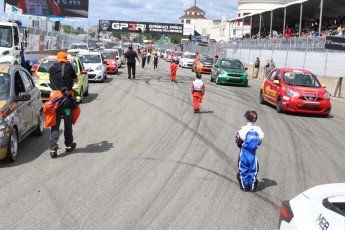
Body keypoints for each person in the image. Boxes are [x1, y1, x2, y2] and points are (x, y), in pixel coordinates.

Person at [48, 51, 77, 158]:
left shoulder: (52, 69)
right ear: (65, 58)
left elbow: (51, 82)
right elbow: (75, 79)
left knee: (55, 124)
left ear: (57, 58)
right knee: (68, 123)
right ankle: (69, 145)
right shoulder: (69, 67)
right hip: (67, 100)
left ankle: (53, 148)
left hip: (55, 100)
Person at [235, 111, 264, 192]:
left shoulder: (243, 129)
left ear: (247, 119)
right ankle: (253, 187)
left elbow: (237, 139)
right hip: (253, 153)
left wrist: (241, 145)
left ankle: (244, 186)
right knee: (253, 169)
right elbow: (260, 140)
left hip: (244, 152)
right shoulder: (259, 129)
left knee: (242, 168)